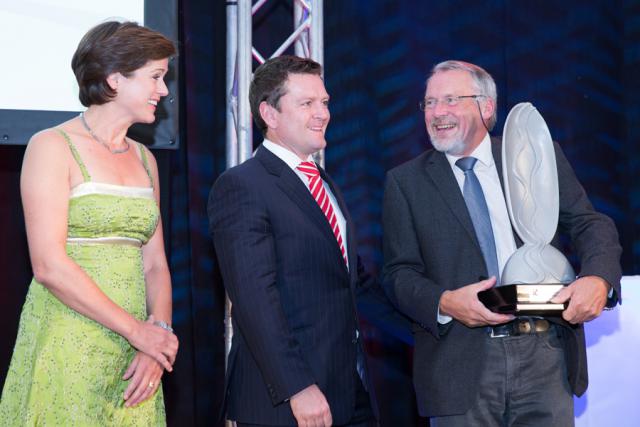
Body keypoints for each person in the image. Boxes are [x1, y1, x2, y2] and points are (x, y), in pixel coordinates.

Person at [382, 60, 622, 426]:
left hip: (545, 355)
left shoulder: (533, 157)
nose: (437, 112)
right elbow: (398, 274)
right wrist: (445, 302)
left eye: (450, 100)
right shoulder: (405, 182)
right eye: (429, 103)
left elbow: (591, 224)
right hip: (461, 366)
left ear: (486, 106)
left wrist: (599, 279)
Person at [0, 21, 178, 425]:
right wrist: (138, 332)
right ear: (116, 79)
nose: (163, 91)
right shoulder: (52, 146)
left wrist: (156, 340)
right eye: (155, 77)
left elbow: (155, 264)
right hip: (68, 335)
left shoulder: (145, 159)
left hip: (136, 355)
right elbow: (48, 265)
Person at [208, 55, 379, 427]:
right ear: (269, 114)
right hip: (288, 402)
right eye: (307, 104)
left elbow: (351, 281)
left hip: (348, 391)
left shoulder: (322, 180)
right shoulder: (242, 185)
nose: (323, 113)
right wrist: (297, 387)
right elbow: (255, 300)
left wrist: (439, 305)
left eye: (325, 102)